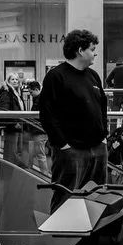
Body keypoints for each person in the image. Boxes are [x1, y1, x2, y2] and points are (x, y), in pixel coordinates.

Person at [37, 30, 108, 212]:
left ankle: (90, 231)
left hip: (97, 148)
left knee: (97, 199)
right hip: (71, 150)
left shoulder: (93, 76)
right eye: (92, 49)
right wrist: (62, 144)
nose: (95, 54)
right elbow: (47, 113)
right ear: (80, 51)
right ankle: (61, 231)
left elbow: (102, 106)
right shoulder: (56, 76)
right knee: (65, 199)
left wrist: (104, 136)